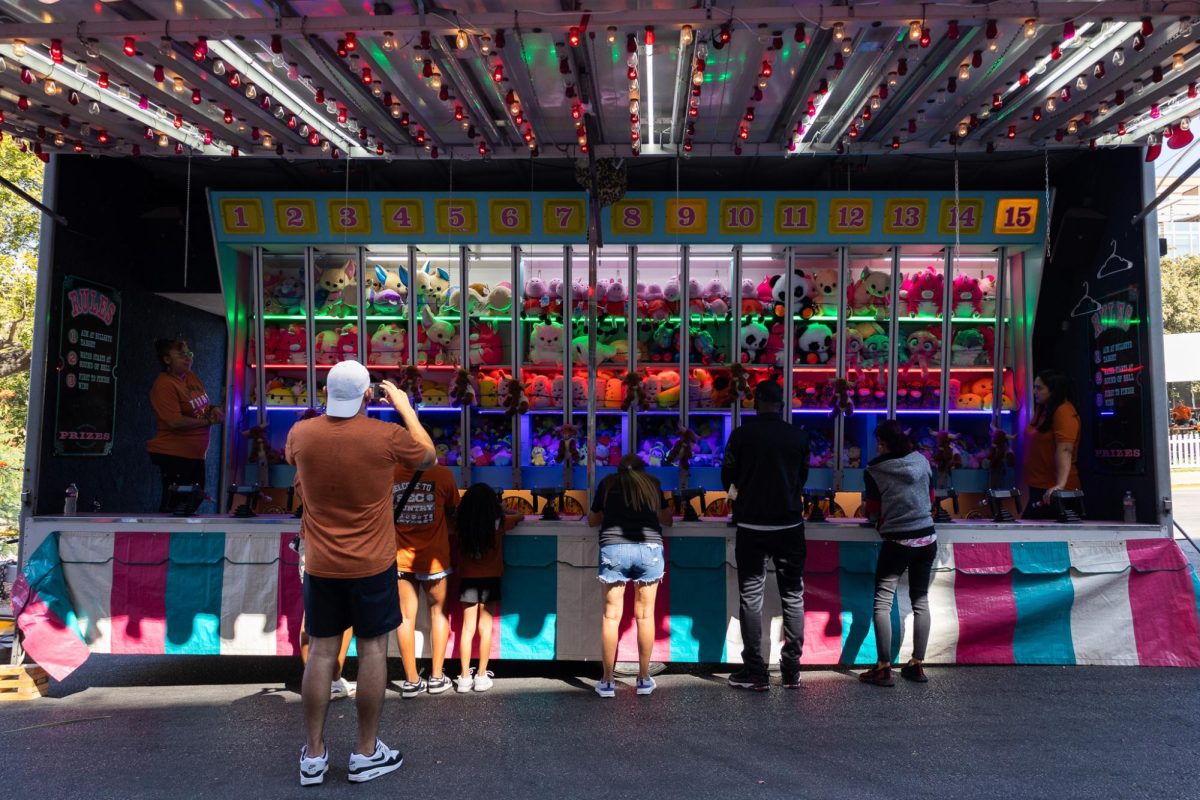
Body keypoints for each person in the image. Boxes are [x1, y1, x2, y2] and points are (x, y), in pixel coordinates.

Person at [285, 360, 435, 786]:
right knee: (372, 652)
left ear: (328, 393)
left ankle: (313, 756)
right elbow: (427, 454)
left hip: (321, 565)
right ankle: (365, 752)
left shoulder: (301, 434)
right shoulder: (384, 436)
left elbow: (294, 461)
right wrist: (405, 407)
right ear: (369, 395)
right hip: (372, 564)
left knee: (320, 654)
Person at [720, 379, 810, 691]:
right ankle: (791, 669)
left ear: (755, 403)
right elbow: (802, 478)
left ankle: (755, 671)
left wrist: (740, 494)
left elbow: (727, 476)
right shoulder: (797, 436)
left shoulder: (741, 435)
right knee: (793, 595)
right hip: (789, 525)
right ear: (782, 405)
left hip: (751, 526)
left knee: (751, 597)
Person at [859, 420, 937, 687]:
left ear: (881, 442)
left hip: (898, 542)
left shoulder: (874, 470)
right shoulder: (922, 461)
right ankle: (917, 664)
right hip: (927, 539)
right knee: (920, 602)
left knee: (882, 602)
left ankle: (883, 667)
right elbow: (932, 497)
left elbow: (873, 509)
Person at [587, 454, 673, 697]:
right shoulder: (653, 484)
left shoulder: (607, 483)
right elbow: (667, 520)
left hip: (614, 548)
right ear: (643, 469)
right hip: (650, 549)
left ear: (619, 469)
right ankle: (644, 679)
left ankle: (606, 681)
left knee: (611, 617)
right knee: (645, 617)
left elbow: (593, 520)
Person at [393, 458, 461, 698]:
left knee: (404, 617)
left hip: (400, 557)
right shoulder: (443, 475)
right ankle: (436, 677)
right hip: (435, 557)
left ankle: (411, 681)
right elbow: (454, 508)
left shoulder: (390, 473)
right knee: (438, 614)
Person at [453, 483, 524, 693]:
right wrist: (501, 508)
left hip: (468, 578)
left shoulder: (461, 522)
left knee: (467, 629)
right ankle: (482, 675)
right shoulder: (499, 522)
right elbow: (520, 515)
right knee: (485, 628)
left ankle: (465, 676)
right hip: (491, 578)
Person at [146, 338, 223, 513]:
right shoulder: (164, 384)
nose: (188, 358)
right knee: (176, 505)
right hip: (174, 454)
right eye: (181, 355)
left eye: (189, 354)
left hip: (195, 454)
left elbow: (200, 406)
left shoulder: (190, 377)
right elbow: (174, 421)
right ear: (167, 359)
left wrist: (214, 409)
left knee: (192, 499)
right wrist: (207, 421)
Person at [1022, 369, 1082, 519]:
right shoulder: (1042, 409)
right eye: (1034, 387)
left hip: (1055, 490)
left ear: (1053, 390)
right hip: (1039, 486)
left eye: (1039, 388)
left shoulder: (1064, 411)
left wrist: (1060, 486)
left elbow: (1066, 449)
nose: (1034, 391)